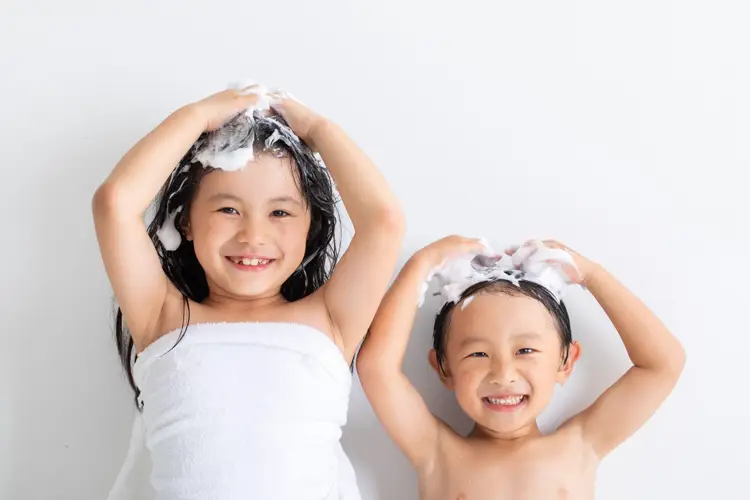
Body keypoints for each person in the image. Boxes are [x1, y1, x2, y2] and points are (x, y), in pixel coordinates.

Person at [93, 84, 404, 499]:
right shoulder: (162, 317)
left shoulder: (329, 320)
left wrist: (317, 128)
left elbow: (383, 220)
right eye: (228, 209)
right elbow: (115, 202)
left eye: (280, 212)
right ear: (185, 222)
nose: (253, 235)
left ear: (310, 227)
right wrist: (198, 117)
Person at [357, 236, 685, 499]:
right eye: (478, 354)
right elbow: (377, 367)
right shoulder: (437, 453)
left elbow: (663, 364)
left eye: (525, 350)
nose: (503, 374)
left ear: (566, 361)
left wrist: (590, 275)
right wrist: (420, 265)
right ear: (443, 368)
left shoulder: (580, 445)